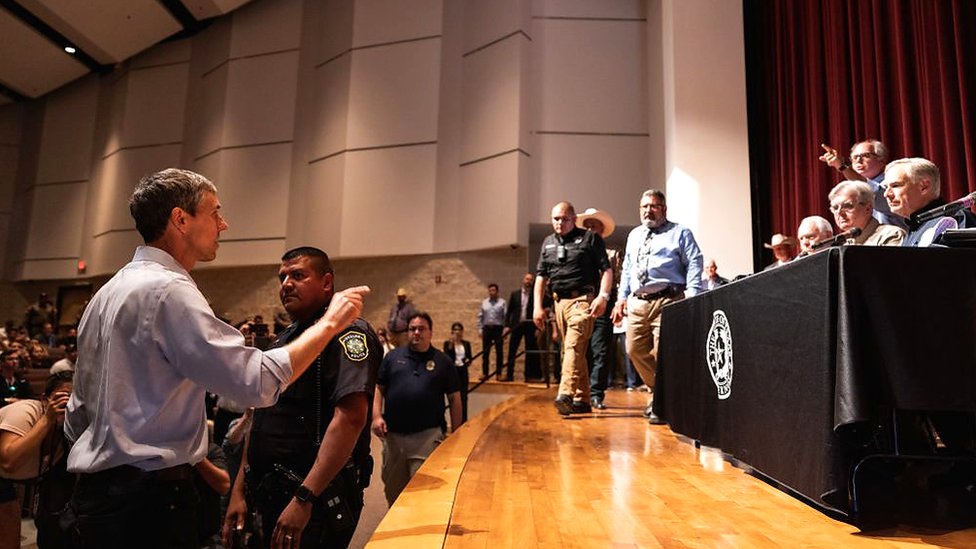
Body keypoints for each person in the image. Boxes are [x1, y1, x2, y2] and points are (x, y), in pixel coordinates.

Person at [62, 168, 369, 549]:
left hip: (95, 498)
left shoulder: (105, 295)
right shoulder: (168, 290)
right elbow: (256, 382)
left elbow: (76, 418)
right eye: (214, 212)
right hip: (147, 506)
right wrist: (331, 324)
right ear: (181, 219)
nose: (223, 224)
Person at [225, 246, 380, 549]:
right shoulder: (284, 341)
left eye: (297, 275)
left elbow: (350, 419)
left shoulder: (348, 333)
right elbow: (258, 417)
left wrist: (305, 497)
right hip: (267, 491)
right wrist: (239, 491)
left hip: (313, 499)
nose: (286, 284)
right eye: (282, 277)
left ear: (326, 283)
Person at [611, 190, 703, 425]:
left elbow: (694, 260)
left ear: (664, 208)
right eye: (644, 206)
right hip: (637, 302)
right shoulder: (634, 235)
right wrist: (621, 298)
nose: (648, 211)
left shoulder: (680, 233)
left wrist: (692, 294)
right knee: (633, 350)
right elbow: (629, 267)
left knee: (663, 353)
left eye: (653, 206)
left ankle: (661, 403)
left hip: (667, 301)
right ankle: (661, 394)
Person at [371, 313, 462, 506]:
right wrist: (376, 416)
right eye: (412, 329)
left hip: (427, 437)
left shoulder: (443, 362)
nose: (416, 332)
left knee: (423, 493)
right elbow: (378, 388)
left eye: (421, 329)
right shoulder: (392, 358)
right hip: (394, 437)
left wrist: (457, 433)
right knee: (393, 491)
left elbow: (454, 398)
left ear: (430, 332)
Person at [534, 201, 613, 416]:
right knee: (573, 350)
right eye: (556, 219)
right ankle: (583, 398)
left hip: (582, 302)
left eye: (564, 218)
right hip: (559, 303)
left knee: (573, 346)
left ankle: (566, 393)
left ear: (572, 219)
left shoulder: (590, 239)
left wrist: (603, 297)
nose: (560, 222)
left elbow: (607, 270)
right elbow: (541, 277)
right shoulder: (547, 242)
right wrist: (537, 307)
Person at [0, 372, 74, 549]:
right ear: (45, 399)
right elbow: (8, 462)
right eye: (65, 397)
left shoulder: (73, 425)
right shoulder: (27, 411)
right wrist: (48, 418)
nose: (70, 405)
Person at [576, 207, 620, 410]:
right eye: (587, 226)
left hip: (604, 306)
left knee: (601, 351)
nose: (590, 229)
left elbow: (618, 280)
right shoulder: (579, 252)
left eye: (594, 225)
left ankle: (596, 394)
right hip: (581, 305)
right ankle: (580, 392)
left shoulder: (612, 254)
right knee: (581, 350)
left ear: (602, 229)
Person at [883, 157, 976, 247]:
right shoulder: (914, 228)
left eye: (895, 186)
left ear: (924, 187)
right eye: (886, 187)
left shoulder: (956, 219)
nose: (886, 194)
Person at [819, 139, 904, 228]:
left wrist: (842, 166)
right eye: (855, 157)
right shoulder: (852, 188)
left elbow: (870, 189)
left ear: (881, 159)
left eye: (866, 155)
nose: (859, 160)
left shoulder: (894, 183)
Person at [828, 181, 905, 246]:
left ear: (868, 208)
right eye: (835, 208)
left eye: (847, 206)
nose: (839, 213)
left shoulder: (891, 235)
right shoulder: (843, 245)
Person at [504, 273, 540, 382]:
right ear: (523, 280)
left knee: (529, 351)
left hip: (529, 325)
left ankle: (528, 376)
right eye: (527, 279)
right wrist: (507, 326)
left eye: (531, 280)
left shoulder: (535, 296)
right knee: (512, 350)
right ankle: (509, 375)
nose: (528, 281)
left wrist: (538, 328)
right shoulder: (515, 294)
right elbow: (509, 311)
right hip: (517, 325)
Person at [476, 283, 507, 380]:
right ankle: (485, 373)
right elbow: (480, 316)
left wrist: (505, 330)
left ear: (497, 291)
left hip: (498, 329)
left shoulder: (502, 302)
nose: (492, 292)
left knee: (499, 352)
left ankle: (499, 374)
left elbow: (505, 317)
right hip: (487, 329)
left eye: (494, 290)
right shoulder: (484, 302)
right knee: (485, 352)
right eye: (490, 290)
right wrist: (480, 329)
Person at [443, 322, 472, 422]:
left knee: (464, 397)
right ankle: (455, 422)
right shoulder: (448, 344)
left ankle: (464, 421)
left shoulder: (466, 344)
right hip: (454, 372)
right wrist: (451, 343)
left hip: (463, 371)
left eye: (459, 329)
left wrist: (468, 360)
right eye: (455, 329)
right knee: (454, 397)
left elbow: (470, 357)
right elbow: (446, 358)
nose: (457, 331)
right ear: (452, 331)